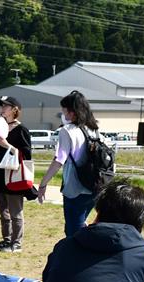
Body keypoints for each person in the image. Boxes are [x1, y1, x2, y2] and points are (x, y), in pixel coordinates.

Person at [37, 90, 101, 236]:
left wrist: (43, 183)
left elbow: (59, 159)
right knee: (79, 224)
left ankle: (77, 257)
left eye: (64, 111)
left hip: (75, 187)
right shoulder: (94, 129)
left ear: (72, 112)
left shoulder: (67, 131)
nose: (63, 115)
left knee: (73, 232)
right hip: (95, 185)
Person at [0, 96, 34, 253]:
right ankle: (6, 239)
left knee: (15, 212)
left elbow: (26, 153)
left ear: (14, 110)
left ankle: (16, 243)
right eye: (2, 106)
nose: (2, 108)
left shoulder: (21, 129)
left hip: (13, 176)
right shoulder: (0, 126)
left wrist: (8, 145)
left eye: (6, 106)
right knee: (3, 211)